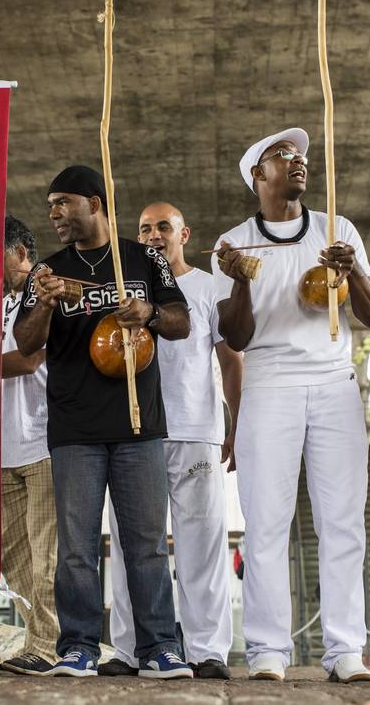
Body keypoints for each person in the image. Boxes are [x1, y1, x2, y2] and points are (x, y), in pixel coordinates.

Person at [211, 128, 370, 683]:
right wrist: (238, 283)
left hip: (334, 381)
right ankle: (266, 650)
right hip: (268, 383)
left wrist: (351, 267)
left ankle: (345, 649)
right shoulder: (233, 243)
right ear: (258, 176)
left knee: (342, 521)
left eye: (301, 155)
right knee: (265, 522)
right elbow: (234, 338)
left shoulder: (339, 230)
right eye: (282, 156)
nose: (298, 162)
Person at [13, 165, 192, 679]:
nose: (53, 214)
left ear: (95, 203)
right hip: (74, 429)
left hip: (139, 426)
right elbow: (26, 344)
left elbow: (180, 321)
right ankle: (79, 648)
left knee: (147, 546)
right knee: (76, 549)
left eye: (63, 203)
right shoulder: (47, 270)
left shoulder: (144, 260)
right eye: (50, 205)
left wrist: (149, 313)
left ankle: (160, 647)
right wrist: (45, 304)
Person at [100, 202, 242, 679]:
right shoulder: (124, 290)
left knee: (202, 543)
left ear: (185, 233)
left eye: (164, 226)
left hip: (196, 430)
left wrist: (235, 424)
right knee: (129, 544)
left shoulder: (206, 286)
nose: (154, 234)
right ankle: (127, 648)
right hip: (134, 434)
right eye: (144, 229)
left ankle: (207, 651)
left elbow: (230, 361)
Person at [0, 215, 59, 676]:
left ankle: (49, 649)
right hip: (0, 448)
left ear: (18, 252)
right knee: (14, 559)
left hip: (43, 444)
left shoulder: (47, 290)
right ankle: (38, 641)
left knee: (45, 557)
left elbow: (30, 359)